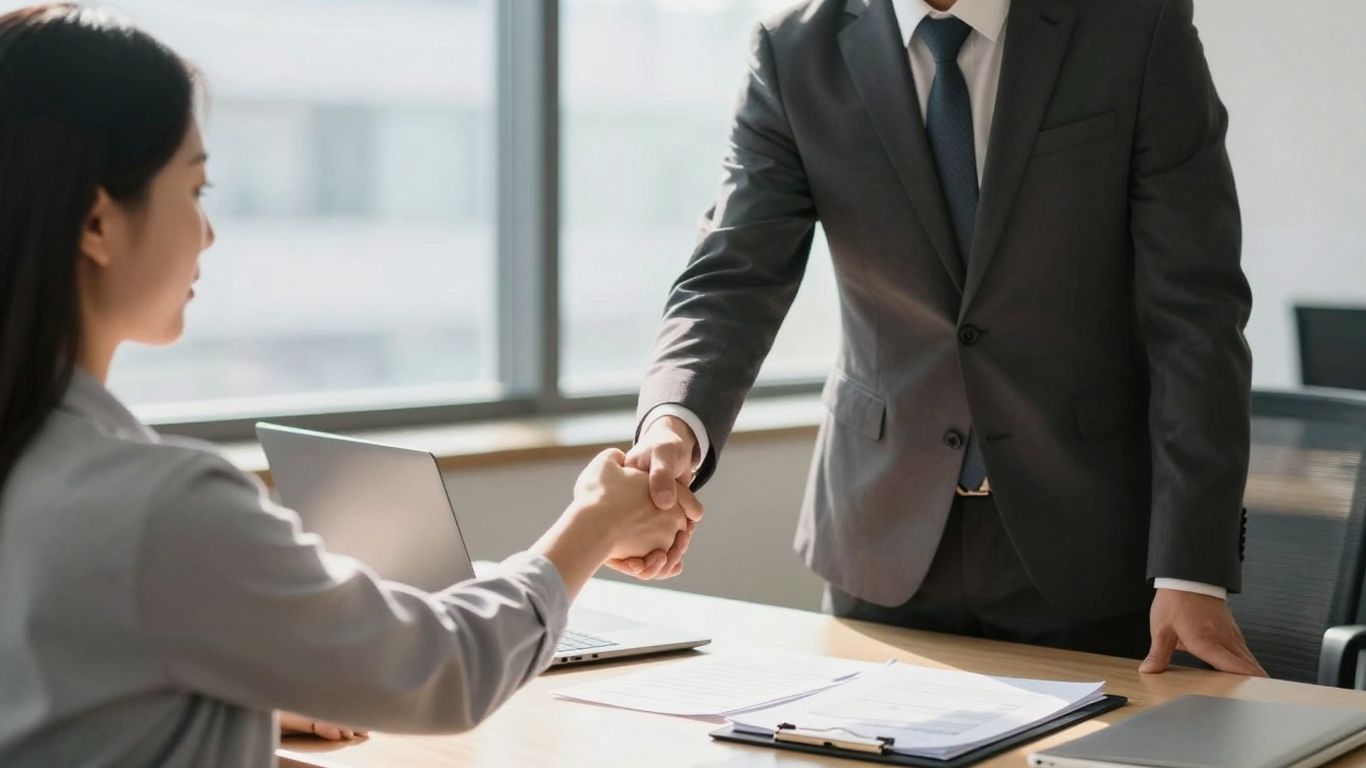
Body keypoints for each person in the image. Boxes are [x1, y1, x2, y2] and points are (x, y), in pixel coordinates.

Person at [0, 5, 700, 766]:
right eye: (195, 189)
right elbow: (447, 669)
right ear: (97, 224)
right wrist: (591, 525)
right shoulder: (157, 508)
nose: (208, 233)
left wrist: (245, 696)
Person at [619, 0, 1266, 676]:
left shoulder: (1134, 27)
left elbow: (1196, 309)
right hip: (882, 540)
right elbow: (733, 274)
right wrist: (673, 423)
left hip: (1090, 543)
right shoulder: (794, 49)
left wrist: (1192, 571)